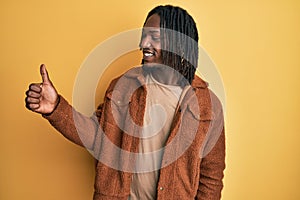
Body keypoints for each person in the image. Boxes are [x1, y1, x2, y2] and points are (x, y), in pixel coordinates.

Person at [25, 5, 225, 200]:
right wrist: (56, 108)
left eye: (154, 37)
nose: (143, 44)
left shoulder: (208, 105)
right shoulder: (124, 86)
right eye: (143, 36)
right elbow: (98, 136)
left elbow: (211, 176)